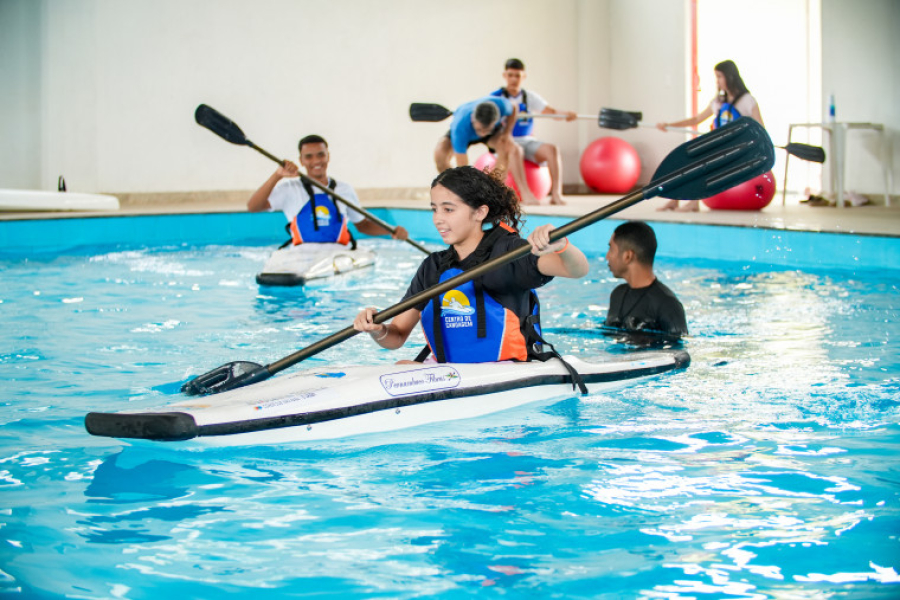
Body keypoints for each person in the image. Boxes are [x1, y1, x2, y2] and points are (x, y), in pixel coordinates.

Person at [353, 166, 589, 367]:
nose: (438, 219)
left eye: (448, 209)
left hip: (508, 371)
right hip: (450, 374)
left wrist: (562, 246)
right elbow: (396, 337)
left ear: (480, 212)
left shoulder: (509, 253)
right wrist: (377, 329)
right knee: (401, 367)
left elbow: (576, 269)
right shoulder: (433, 267)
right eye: (434, 209)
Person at [248, 134, 408, 244]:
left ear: (328, 156)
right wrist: (277, 175)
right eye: (309, 157)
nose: (316, 161)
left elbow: (363, 225)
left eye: (320, 154)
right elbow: (253, 207)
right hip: (301, 253)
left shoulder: (343, 189)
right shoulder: (289, 189)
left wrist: (391, 230)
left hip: (337, 253)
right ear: (301, 161)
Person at [656, 59, 765, 211]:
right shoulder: (718, 102)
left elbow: (760, 127)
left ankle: (694, 203)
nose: (717, 81)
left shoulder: (748, 101)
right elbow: (696, 119)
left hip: (738, 150)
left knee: (703, 164)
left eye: (720, 77)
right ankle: (675, 199)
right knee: (685, 158)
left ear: (730, 77)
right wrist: (669, 125)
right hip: (720, 146)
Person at [490, 58, 577, 206]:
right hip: (505, 142)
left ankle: (556, 194)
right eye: (510, 75)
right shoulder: (495, 97)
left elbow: (551, 112)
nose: (513, 79)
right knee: (516, 149)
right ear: (505, 75)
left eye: (517, 76)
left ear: (523, 77)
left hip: (527, 140)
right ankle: (526, 193)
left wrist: (566, 115)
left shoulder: (529, 97)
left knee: (552, 149)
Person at [433, 96, 545, 205]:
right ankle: (455, 191)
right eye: (479, 129)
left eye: (485, 130)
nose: (482, 134)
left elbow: (514, 108)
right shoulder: (460, 128)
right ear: (473, 118)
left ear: (496, 120)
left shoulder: (502, 105)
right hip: (466, 131)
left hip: (492, 134)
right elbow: (463, 166)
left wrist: (507, 133)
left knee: (509, 146)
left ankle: (497, 191)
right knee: (440, 154)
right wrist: (468, 192)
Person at [603, 221, 687, 339]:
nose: (607, 256)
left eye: (611, 249)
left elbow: (678, 352)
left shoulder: (667, 305)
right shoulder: (618, 294)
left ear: (628, 256)